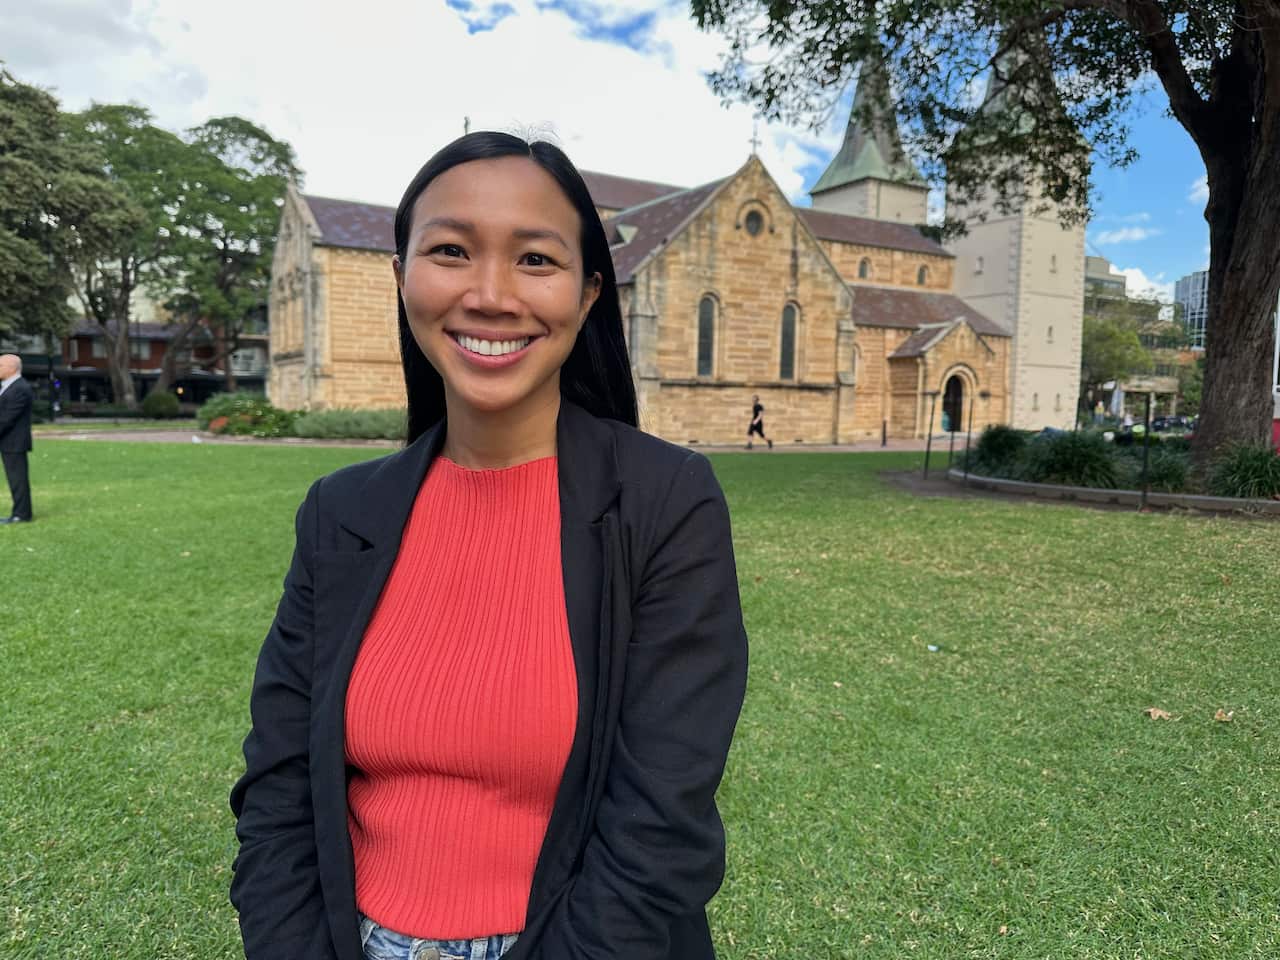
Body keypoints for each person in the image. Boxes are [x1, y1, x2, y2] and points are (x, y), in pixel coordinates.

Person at [229, 132, 749, 960]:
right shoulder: (340, 511)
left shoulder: (664, 502)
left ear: (587, 294)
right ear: (401, 278)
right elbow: (279, 788)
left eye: (536, 260)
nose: (491, 294)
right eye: (450, 251)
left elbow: (659, 826)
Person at [0, 353, 34, 524]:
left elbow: (6, 418)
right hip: (8, 441)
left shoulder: (19, 388)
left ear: (12, 368)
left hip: (14, 442)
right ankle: (19, 512)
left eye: (0, 365)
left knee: (18, 480)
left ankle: (21, 514)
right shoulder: (9, 386)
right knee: (15, 479)